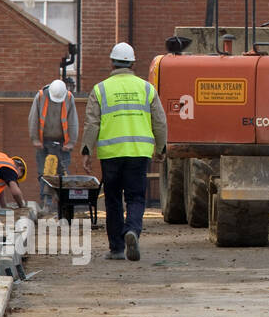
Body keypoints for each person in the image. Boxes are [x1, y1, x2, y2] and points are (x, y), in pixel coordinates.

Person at [81, 43, 167, 262]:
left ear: (112, 62)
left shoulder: (100, 89)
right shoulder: (146, 88)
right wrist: (161, 147)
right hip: (139, 153)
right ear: (133, 63)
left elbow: (92, 124)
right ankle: (132, 230)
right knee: (136, 197)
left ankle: (117, 249)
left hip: (111, 154)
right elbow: (160, 121)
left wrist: (86, 151)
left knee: (113, 200)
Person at [29, 78, 78, 211]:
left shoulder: (68, 97)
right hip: (43, 142)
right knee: (44, 174)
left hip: (62, 143)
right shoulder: (40, 96)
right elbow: (33, 118)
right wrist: (35, 140)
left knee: (63, 175)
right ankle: (46, 203)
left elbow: (73, 120)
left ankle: (63, 205)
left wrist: (71, 143)